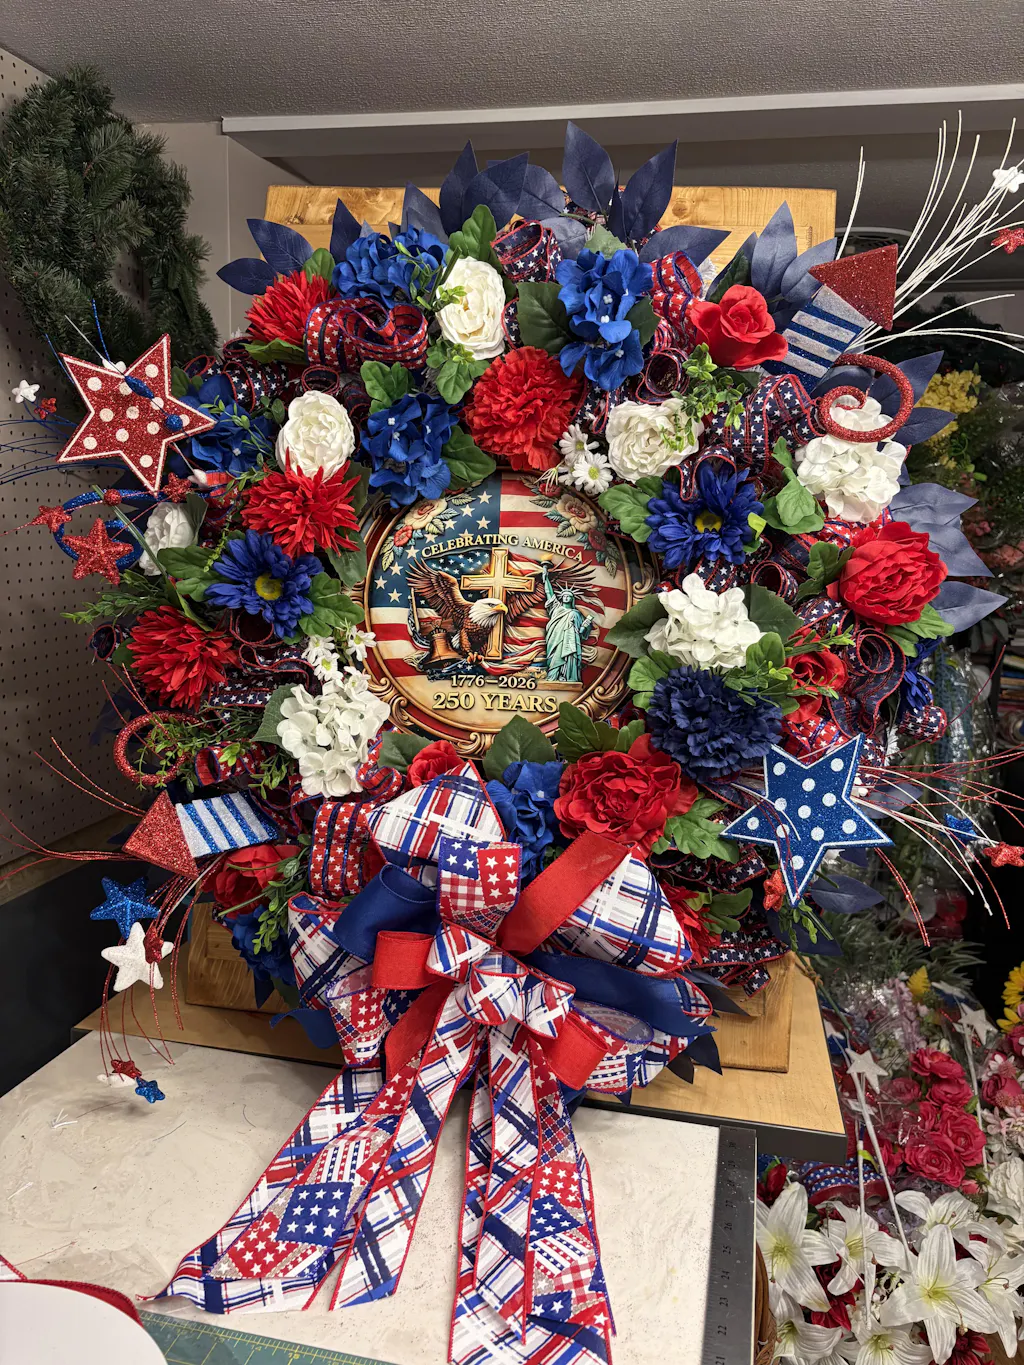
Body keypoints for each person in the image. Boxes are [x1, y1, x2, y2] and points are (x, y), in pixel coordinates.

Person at [540, 563, 593, 683]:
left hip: (571, 642)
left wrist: (585, 626)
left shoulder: (576, 613)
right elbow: (549, 594)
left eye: (569, 596)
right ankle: (553, 678)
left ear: (572, 599)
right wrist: (546, 579)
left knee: (570, 659)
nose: (566, 598)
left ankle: (569, 678)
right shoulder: (556, 608)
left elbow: (580, 633)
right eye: (564, 596)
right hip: (556, 640)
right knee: (554, 661)